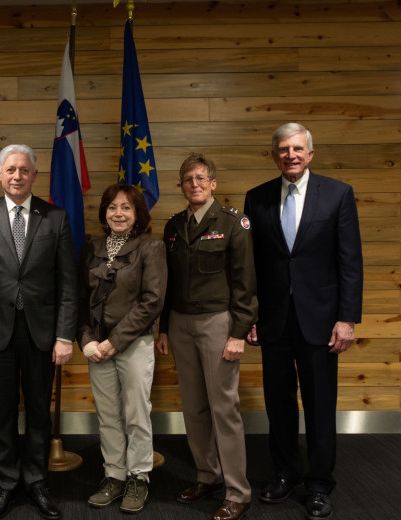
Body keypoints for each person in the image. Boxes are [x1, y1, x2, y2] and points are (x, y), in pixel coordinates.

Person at [244, 123, 363, 520]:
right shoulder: (256, 199)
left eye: (297, 148)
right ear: (274, 155)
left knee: (319, 404)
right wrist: (252, 316)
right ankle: (286, 474)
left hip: (320, 321)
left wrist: (347, 319)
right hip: (273, 321)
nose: (290, 155)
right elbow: (253, 266)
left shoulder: (338, 194)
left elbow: (350, 261)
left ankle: (318, 483)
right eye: (282, 149)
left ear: (310, 154)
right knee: (279, 405)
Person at [0, 144, 78, 520]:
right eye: (10, 169)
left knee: (40, 411)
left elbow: (69, 284)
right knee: (5, 411)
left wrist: (64, 335)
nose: (16, 175)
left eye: (24, 170)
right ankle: (7, 483)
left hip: (43, 334)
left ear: (34, 175)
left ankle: (37, 480)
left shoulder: (55, 217)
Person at [155, 153, 257, 520]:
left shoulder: (233, 224)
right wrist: (164, 327)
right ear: (181, 186)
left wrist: (238, 333)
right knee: (194, 405)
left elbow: (246, 284)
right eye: (187, 180)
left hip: (218, 324)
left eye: (201, 178)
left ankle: (238, 492)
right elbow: (168, 285)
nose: (194, 185)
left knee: (224, 408)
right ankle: (208, 476)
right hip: (181, 323)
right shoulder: (172, 226)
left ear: (213, 183)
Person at [77, 184, 167, 514]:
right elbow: (81, 301)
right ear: (104, 212)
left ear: (138, 214)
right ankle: (114, 475)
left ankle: (138, 477)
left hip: (133, 344)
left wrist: (115, 342)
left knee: (136, 414)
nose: (118, 213)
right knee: (108, 415)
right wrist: (86, 340)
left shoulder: (150, 247)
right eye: (112, 207)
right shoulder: (92, 248)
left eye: (126, 208)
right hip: (96, 348)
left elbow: (152, 301)